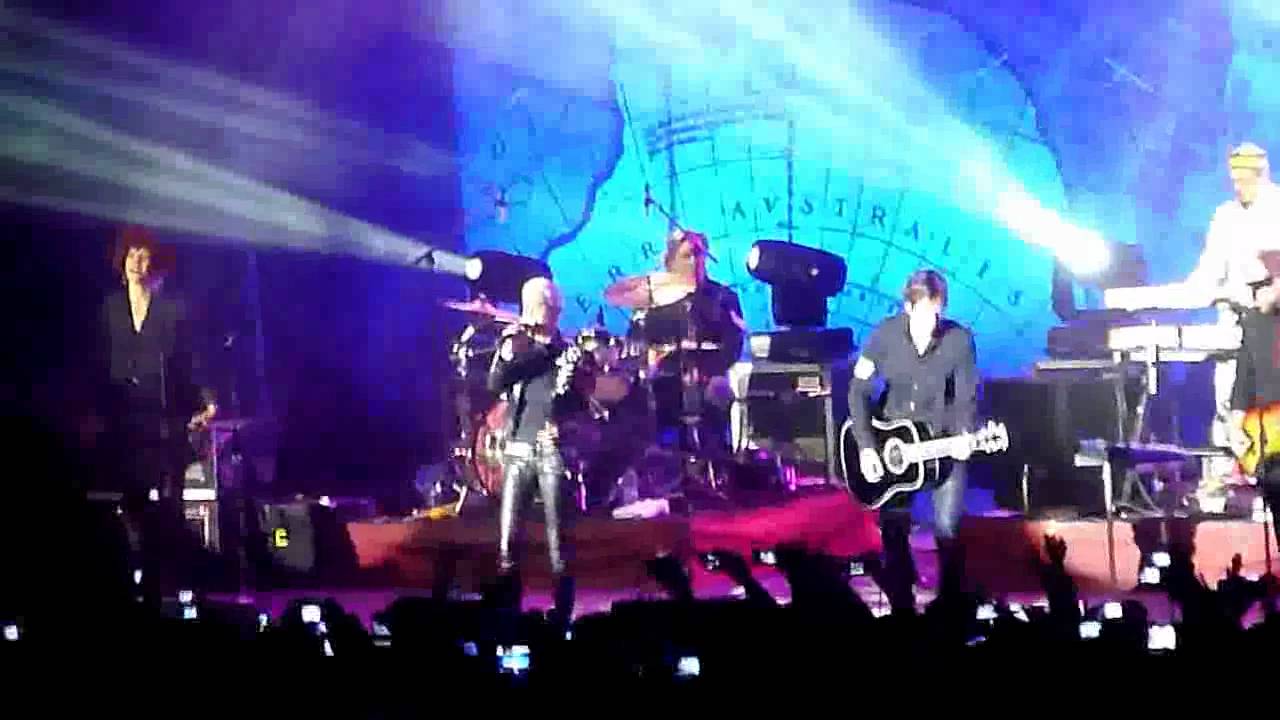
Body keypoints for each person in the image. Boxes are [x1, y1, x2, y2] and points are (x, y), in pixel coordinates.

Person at [847, 269, 977, 613]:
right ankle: (902, 601)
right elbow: (858, 390)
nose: (931, 323)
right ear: (908, 307)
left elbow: (965, 397)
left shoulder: (959, 340)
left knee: (948, 528)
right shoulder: (884, 335)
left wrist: (964, 434)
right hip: (893, 443)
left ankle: (951, 605)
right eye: (924, 314)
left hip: (941, 442)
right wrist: (866, 447)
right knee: (893, 526)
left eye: (937, 314)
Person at [96, 225, 217, 590]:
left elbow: (190, 362)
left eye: (143, 254)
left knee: (169, 502)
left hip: (165, 417)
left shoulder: (171, 310)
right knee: (131, 500)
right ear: (121, 259)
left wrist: (208, 400)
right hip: (125, 418)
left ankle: (163, 578)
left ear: (154, 263)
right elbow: (96, 361)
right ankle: (132, 573)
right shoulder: (110, 308)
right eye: (131, 253)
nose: (136, 261)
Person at [487, 276, 582, 623]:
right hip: (518, 449)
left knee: (559, 542)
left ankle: (562, 614)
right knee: (508, 540)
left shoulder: (567, 350)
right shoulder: (521, 346)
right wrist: (507, 350)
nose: (540, 310)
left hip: (552, 451)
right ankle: (507, 612)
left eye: (544, 303)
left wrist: (565, 416)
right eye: (535, 303)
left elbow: (579, 402)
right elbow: (495, 383)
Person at [1227, 260, 1280, 547]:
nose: (1255, 296)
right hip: (1269, 437)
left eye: (1261, 288)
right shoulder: (1254, 323)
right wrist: (1236, 425)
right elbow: (1243, 378)